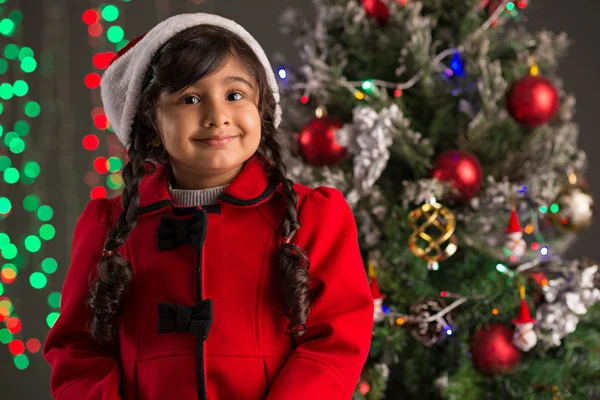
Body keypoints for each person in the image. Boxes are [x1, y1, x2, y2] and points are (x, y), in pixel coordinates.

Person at [43, 13, 374, 400]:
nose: (218, 117)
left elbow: (335, 341)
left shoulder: (313, 217)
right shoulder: (108, 226)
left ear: (261, 110)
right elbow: (77, 353)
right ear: (151, 125)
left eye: (235, 95)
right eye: (190, 99)